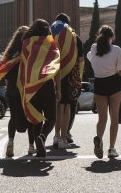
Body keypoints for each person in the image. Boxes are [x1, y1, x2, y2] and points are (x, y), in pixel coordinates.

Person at [20, 19, 61, 158]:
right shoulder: (51, 44)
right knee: (52, 118)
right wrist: (58, 89)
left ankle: (38, 146)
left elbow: (23, 66)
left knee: (36, 118)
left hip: (32, 86)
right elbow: (56, 67)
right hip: (47, 83)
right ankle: (42, 138)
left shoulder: (26, 44)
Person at [86, 25, 121, 159]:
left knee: (102, 118)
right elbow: (120, 70)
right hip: (114, 84)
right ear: (112, 37)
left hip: (99, 84)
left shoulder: (93, 48)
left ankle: (99, 139)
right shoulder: (117, 50)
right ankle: (111, 148)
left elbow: (90, 57)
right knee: (114, 118)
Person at [0, 26, 35, 157]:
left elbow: (5, 75)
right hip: (27, 88)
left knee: (13, 117)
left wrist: (8, 89)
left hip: (12, 89)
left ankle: (10, 142)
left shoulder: (9, 54)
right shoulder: (29, 52)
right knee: (30, 117)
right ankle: (31, 146)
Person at [51, 13, 83, 149]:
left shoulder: (51, 32)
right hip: (68, 75)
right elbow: (81, 60)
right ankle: (63, 138)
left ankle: (56, 136)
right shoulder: (73, 36)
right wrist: (79, 79)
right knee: (66, 107)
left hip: (53, 74)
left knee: (58, 107)